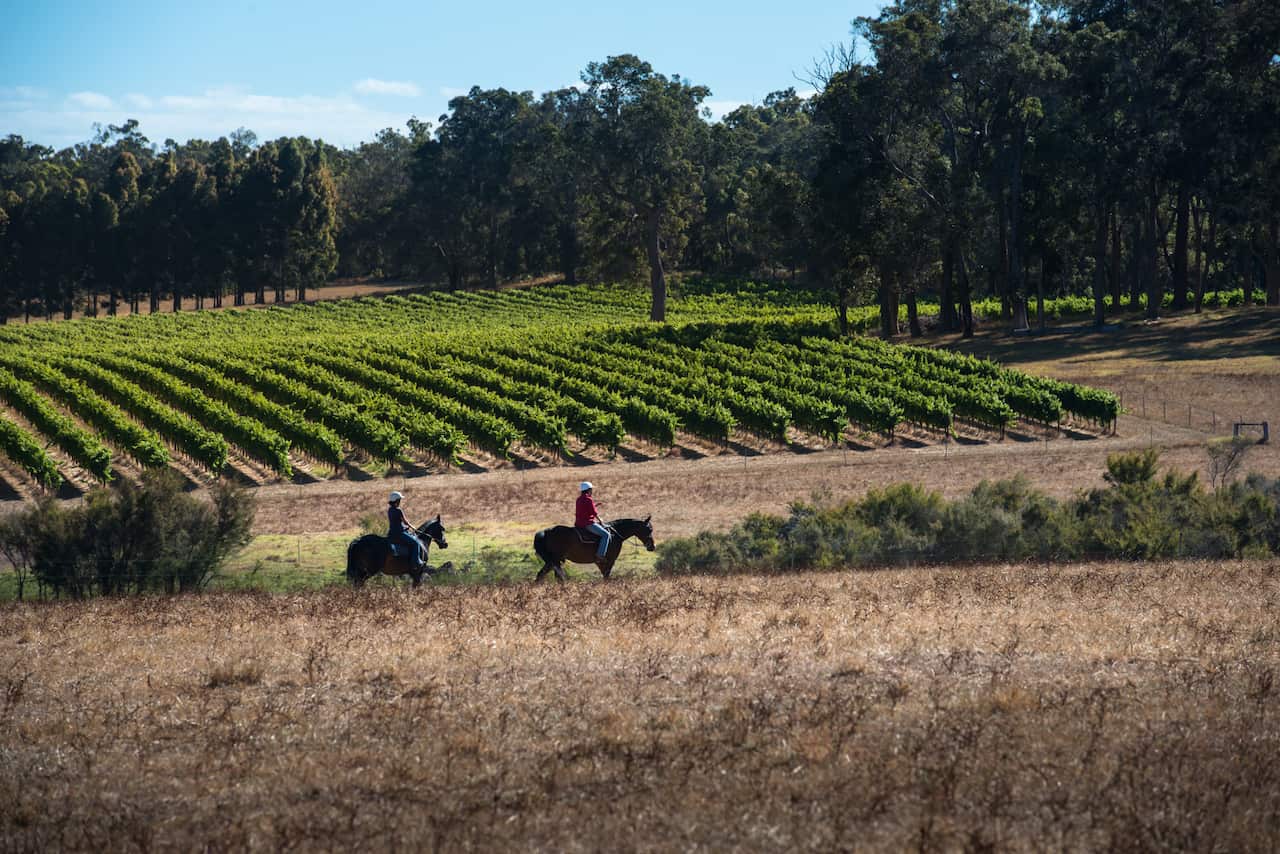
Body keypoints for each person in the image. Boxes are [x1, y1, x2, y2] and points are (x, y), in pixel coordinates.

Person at [387, 491, 424, 570]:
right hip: (399, 533)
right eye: (399, 500)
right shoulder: (398, 510)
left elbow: (395, 522)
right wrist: (412, 527)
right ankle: (416, 562)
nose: (400, 502)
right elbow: (405, 521)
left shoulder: (390, 510)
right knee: (416, 543)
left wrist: (404, 527)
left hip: (391, 533)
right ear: (396, 501)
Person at [575, 481, 610, 561]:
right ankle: (600, 555)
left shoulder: (578, 499)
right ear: (588, 490)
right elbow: (593, 513)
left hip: (578, 524)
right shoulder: (589, 499)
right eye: (591, 490)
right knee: (606, 535)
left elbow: (584, 508)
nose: (592, 491)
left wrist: (594, 505)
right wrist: (600, 520)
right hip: (588, 524)